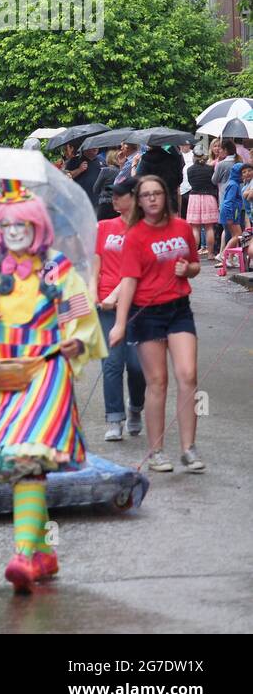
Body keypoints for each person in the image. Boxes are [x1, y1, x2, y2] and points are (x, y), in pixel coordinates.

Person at [0, 180, 105, 593]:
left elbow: (80, 317)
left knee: (26, 453)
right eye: (6, 226)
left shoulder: (58, 268)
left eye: (21, 225)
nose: (14, 233)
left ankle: (24, 555)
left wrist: (74, 340)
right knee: (21, 462)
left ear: (37, 227)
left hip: (44, 369)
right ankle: (42, 553)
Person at [108, 174, 204, 473]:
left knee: (188, 375)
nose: (151, 198)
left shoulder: (182, 228)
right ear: (139, 200)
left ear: (166, 196)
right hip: (147, 313)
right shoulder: (135, 236)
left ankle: (189, 449)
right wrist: (120, 323)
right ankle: (157, 451)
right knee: (157, 382)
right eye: (146, 194)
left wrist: (187, 268)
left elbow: (196, 265)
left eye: (157, 193)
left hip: (179, 310)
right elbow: (128, 281)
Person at [92, 178, 145, 441]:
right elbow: (95, 263)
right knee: (112, 363)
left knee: (137, 365)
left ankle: (136, 407)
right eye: (112, 195)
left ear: (134, 198)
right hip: (105, 306)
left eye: (119, 195)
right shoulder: (103, 226)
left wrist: (115, 295)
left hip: (137, 305)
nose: (113, 200)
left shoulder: (146, 230)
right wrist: (93, 293)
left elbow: (137, 273)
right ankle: (114, 418)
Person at [184, 149, 221, 259]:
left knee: (195, 229)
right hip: (209, 197)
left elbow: (190, 182)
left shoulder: (189, 169)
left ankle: (194, 255)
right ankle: (210, 254)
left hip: (194, 197)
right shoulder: (210, 168)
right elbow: (213, 183)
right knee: (209, 228)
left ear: (194, 157)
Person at [216, 161, 248, 271]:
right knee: (237, 235)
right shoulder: (234, 185)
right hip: (231, 212)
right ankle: (224, 256)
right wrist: (230, 217)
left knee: (236, 235)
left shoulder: (234, 183)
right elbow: (228, 202)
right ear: (238, 174)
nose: (245, 174)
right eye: (243, 172)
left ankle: (229, 257)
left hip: (231, 212)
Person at [136, 144, 184, 213]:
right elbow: (179, 180)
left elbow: (138, 179)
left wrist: (134, 166)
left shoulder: (145, 159)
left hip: (151, 201)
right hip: (170, 201)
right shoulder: (171, 158)